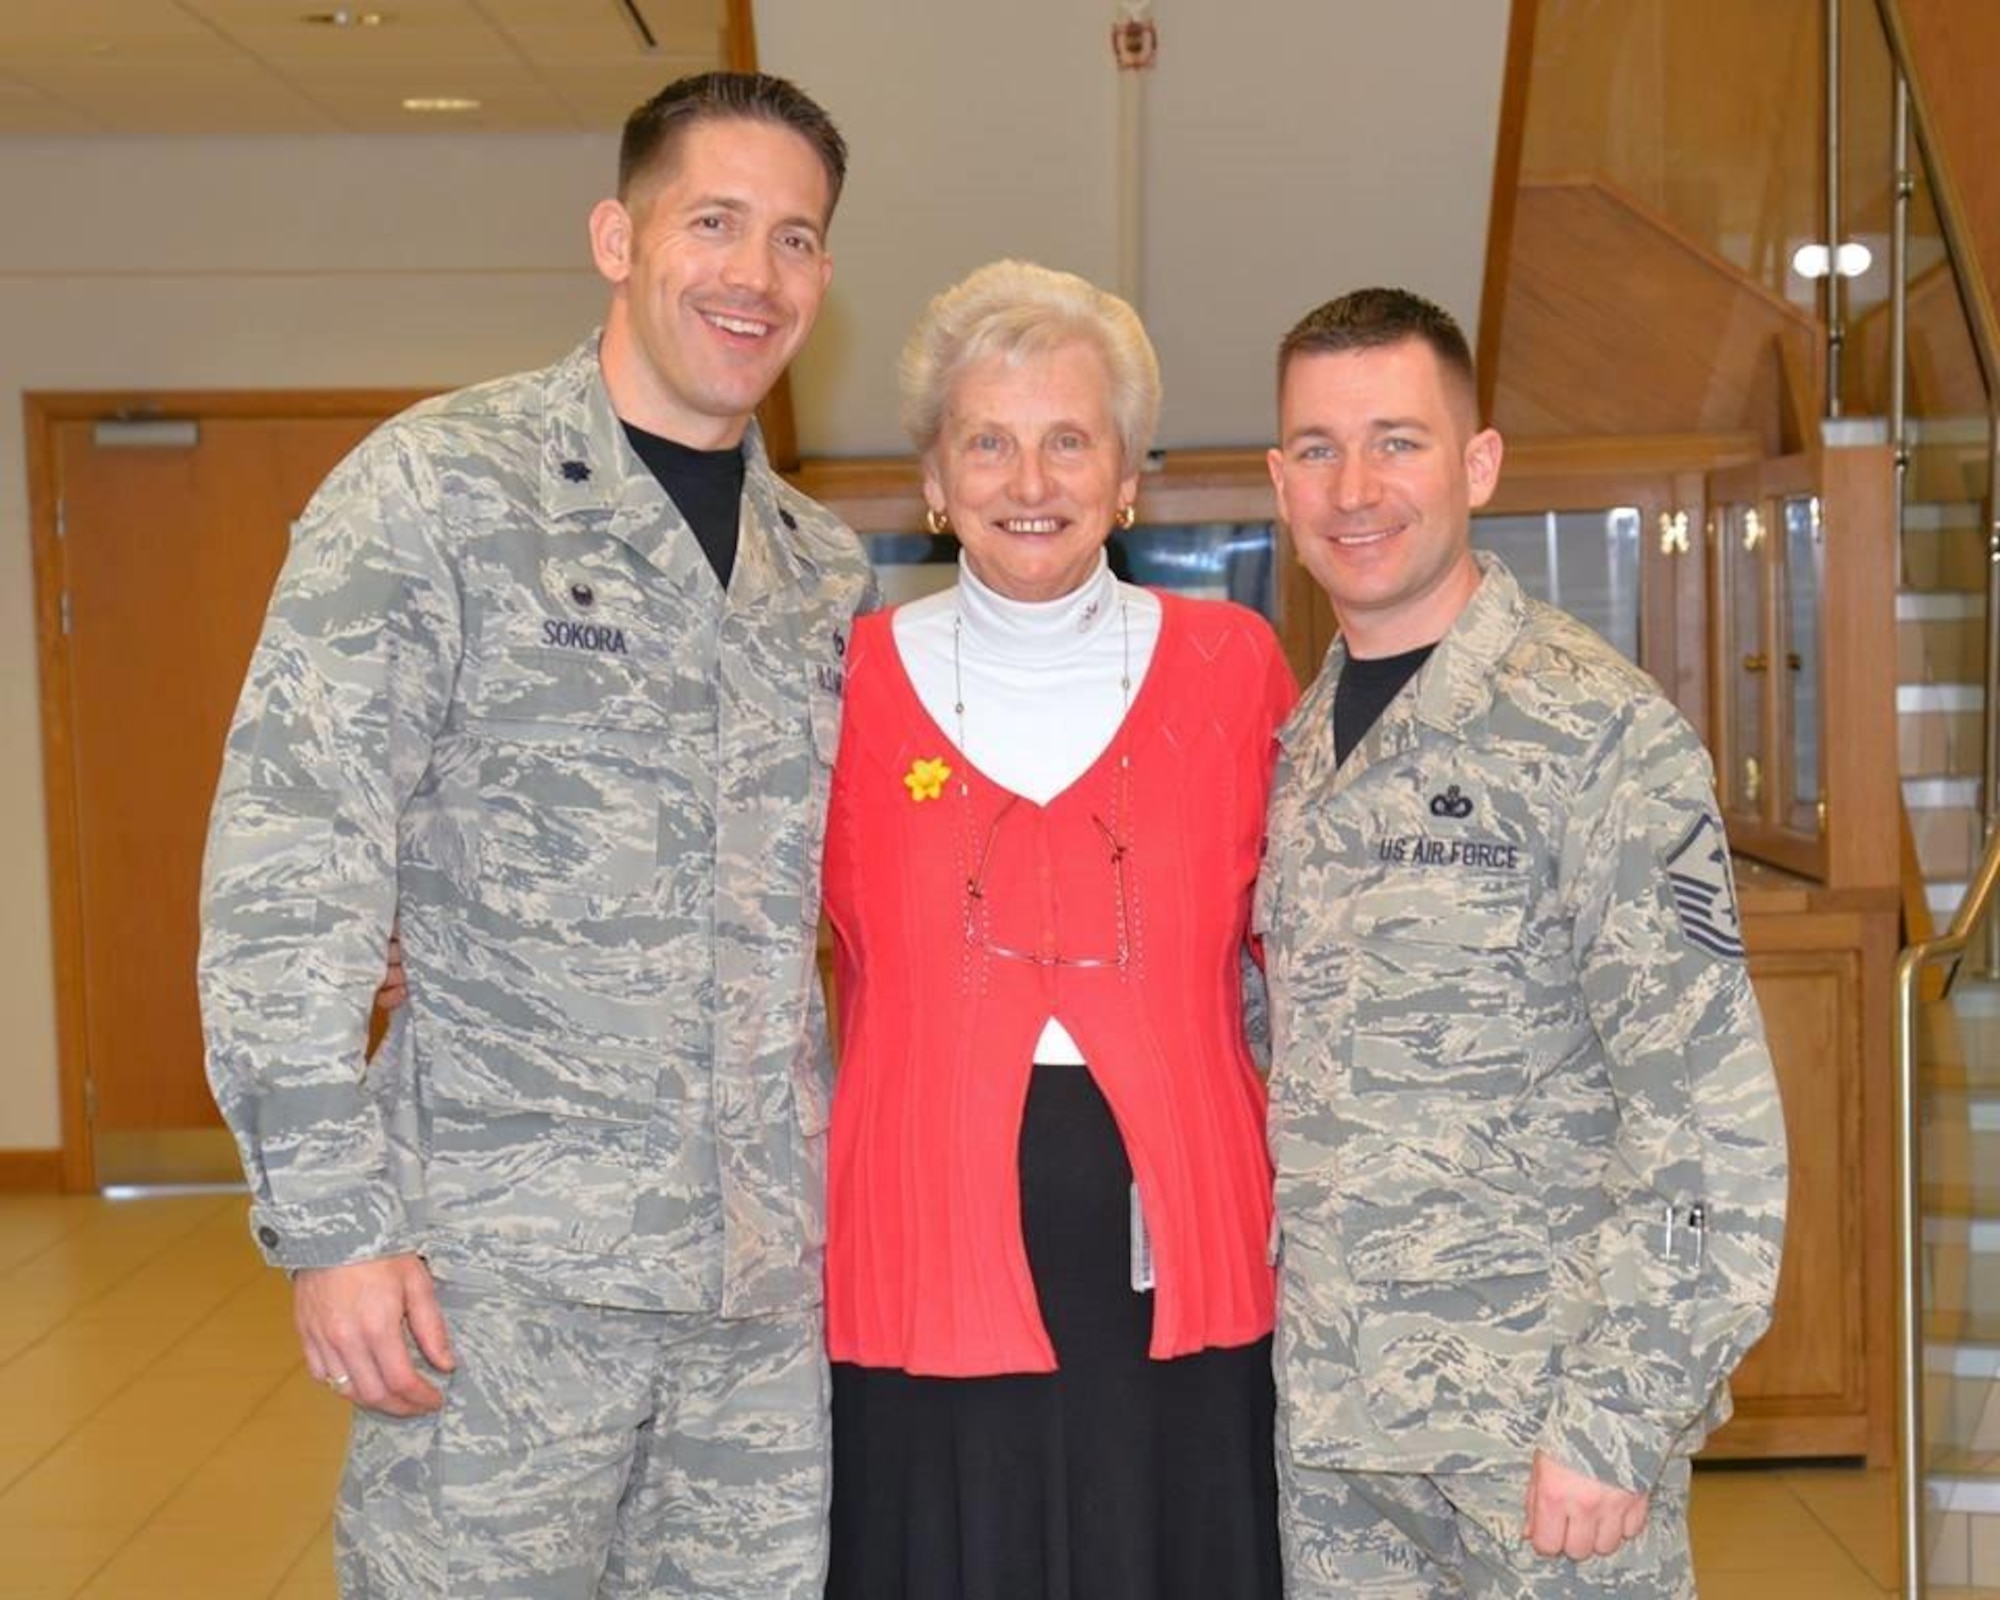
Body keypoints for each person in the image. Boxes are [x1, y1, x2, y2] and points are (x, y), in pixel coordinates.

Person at [198, 71, 874, 1599]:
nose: (754, 276)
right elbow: (289, 868)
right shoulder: (439, 493)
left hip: (759, 1310)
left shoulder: (820, 571)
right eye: (714, 222)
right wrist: (328, 1222)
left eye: (797, 239)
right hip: (496, 1292)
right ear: (616, 239)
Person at [1255, 286, 1788, 1599]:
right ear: (1278, 481)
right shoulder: (1300, 747)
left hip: (1539, 1454)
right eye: (1317, 448)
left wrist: (1619, 1422)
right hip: (1338, 1444)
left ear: (1479, 462)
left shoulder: (1598, 733)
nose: (1355, 486)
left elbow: (1707, 1116)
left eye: (1399, 439)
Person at [819, 259, 1297, 1600]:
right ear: (932, 477)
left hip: (1178, 1251)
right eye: (989, 441)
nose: (1030, 480)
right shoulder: (838, 691)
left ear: (1129, 475)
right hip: (922, 1244)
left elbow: (1324, 951)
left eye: (1069, 440)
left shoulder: (1235, 669)